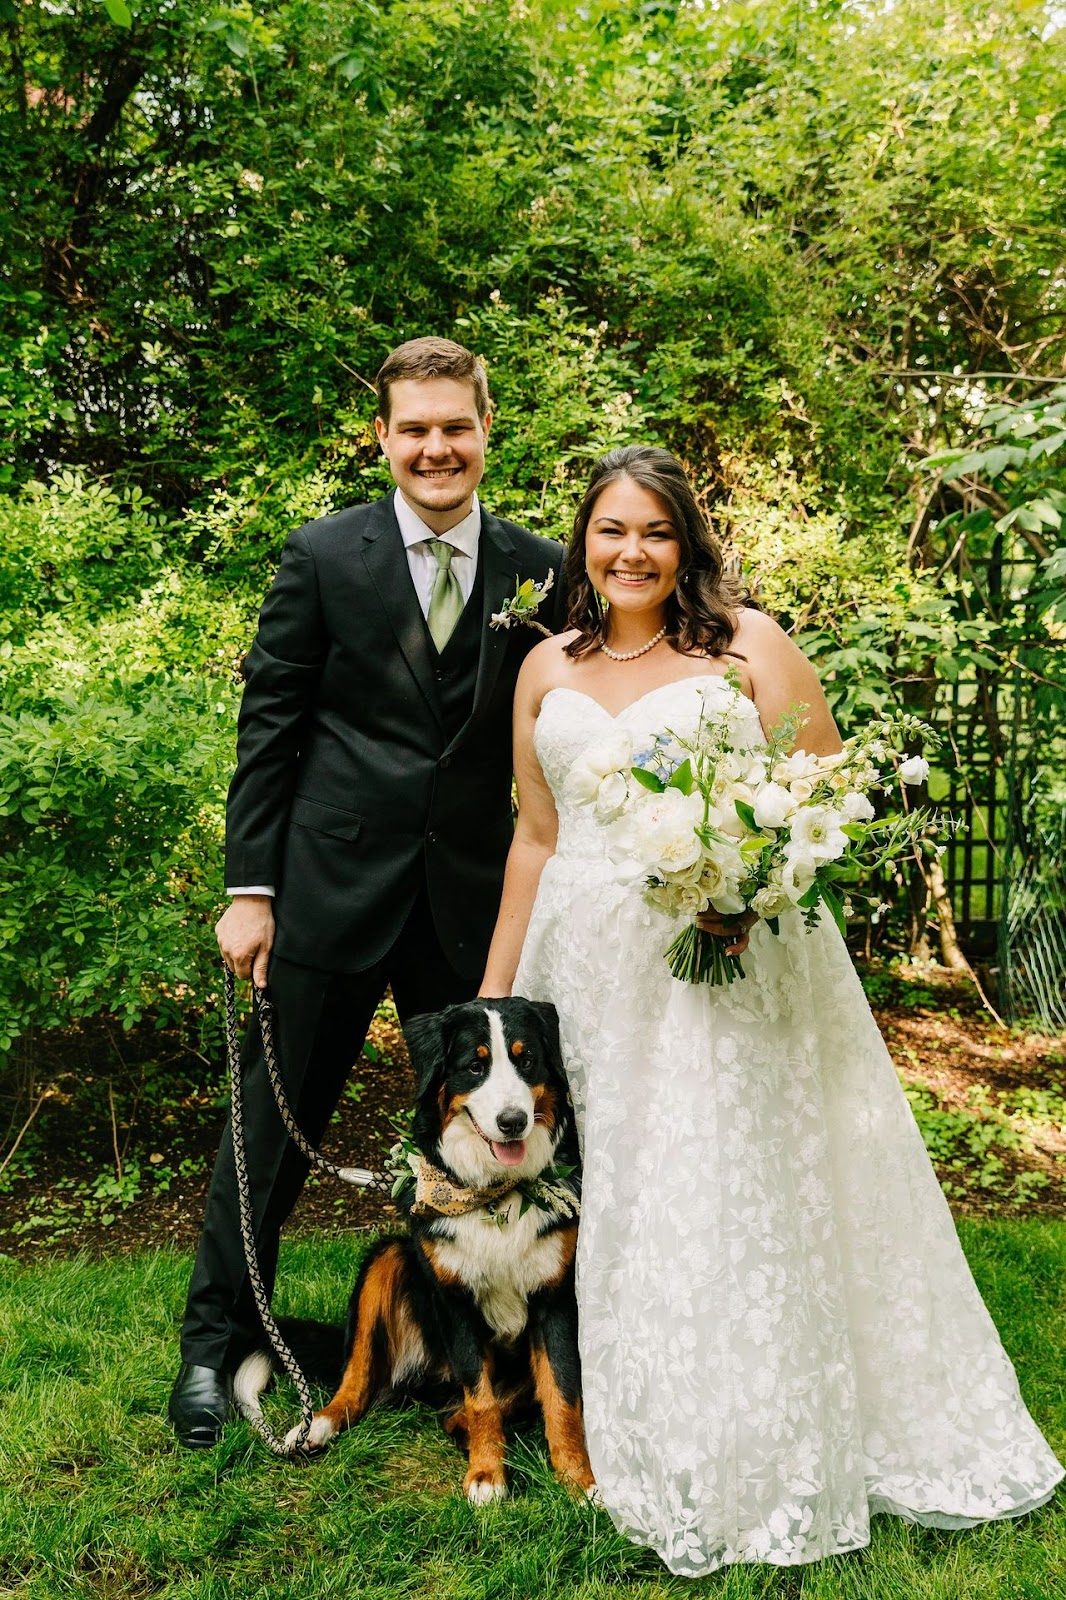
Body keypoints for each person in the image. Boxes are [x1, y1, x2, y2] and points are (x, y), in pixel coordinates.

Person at [480, 444, 1063, 1575]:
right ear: (581, 544)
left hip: (729, 961)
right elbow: (537, 838)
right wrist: (500, 998)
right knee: (623, 1186)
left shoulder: (745, 644)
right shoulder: (545, 665)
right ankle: (632, 1411)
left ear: (685, 541)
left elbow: (823, 790)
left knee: (721, 1178)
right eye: (610, 530)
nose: (632, 551)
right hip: (587, 970)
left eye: (654, 530)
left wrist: (751, 885)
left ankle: (758, 1440)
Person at [168, 337, 568, 1448]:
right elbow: (272, 726)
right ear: (383, 437)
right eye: (414, 428)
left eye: (456, 425)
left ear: (488, 429)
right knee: (269, 1131)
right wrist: (251, 888)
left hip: (470, 901)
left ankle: (499, 1350)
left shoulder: (542, 569)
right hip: (325, 890)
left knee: (501, 1134)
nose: (436, 447)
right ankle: (211, 1348)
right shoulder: (321, 555)